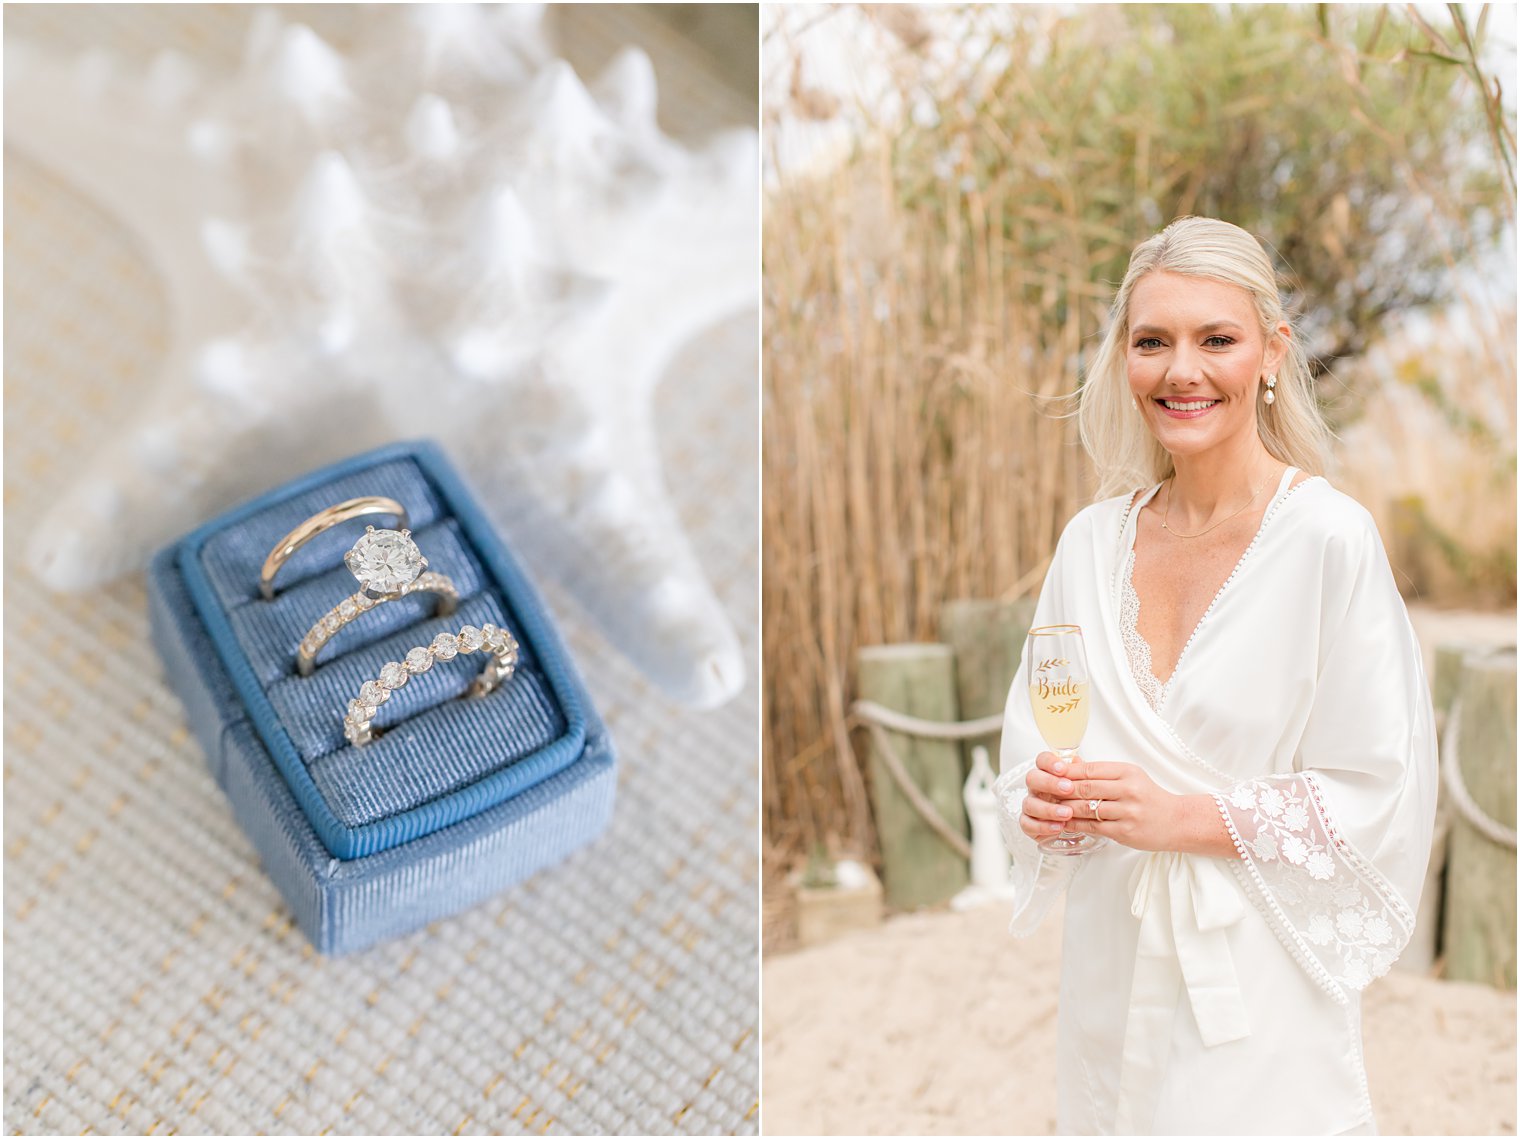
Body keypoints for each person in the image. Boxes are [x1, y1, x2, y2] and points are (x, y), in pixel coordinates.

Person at [993, 216, 1437, 1136]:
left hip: (1253, 973)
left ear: (1271, 352)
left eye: (1217, 340)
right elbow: (1032, 745)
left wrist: (1187, 816)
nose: (1180, 372)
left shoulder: (1328, 540)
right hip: (1111, 966)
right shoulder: (1088, 545)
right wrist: (1041, 806)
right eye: (1152, 341)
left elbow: (1379, 788)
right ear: (1124, 357)